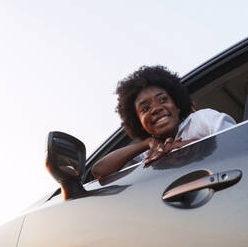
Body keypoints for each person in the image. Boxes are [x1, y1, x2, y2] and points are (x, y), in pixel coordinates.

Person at [91, 65, 235, 179]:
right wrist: (147, 143)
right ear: (138, 122)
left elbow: (239, 144)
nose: (156, 109)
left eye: (163, 99)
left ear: (177, 104)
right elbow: (99, 170)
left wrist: (186, 148)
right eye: (145, 108)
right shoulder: (149, 153)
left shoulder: (203, 119)